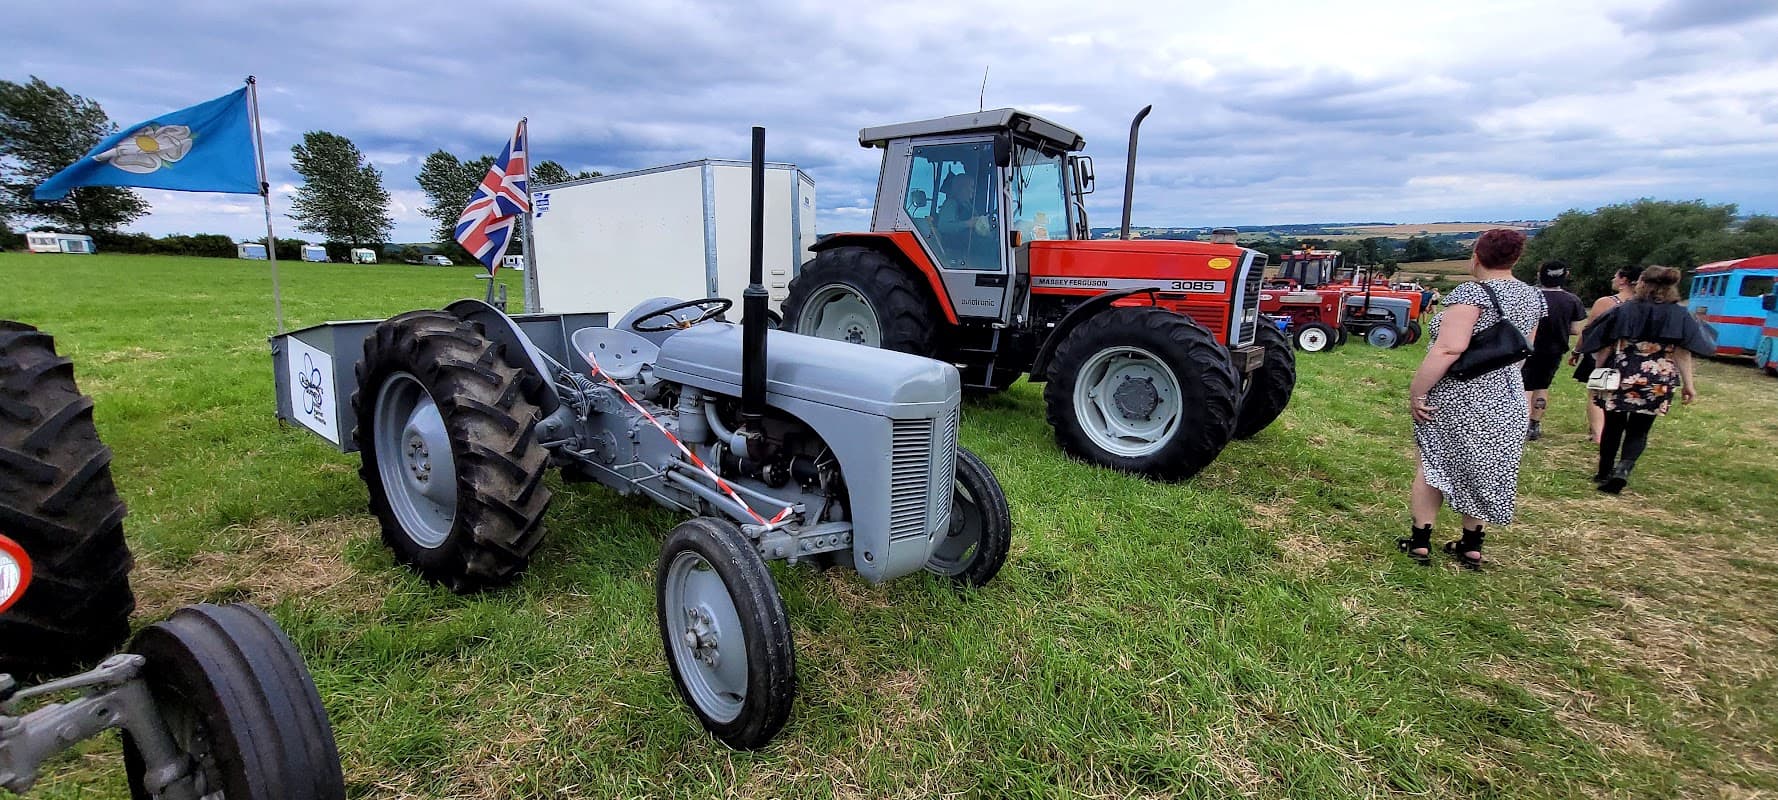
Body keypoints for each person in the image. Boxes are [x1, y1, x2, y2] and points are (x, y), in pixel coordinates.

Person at [1401, 229, 1544, 569]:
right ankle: (1471, 545)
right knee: (1486, 466)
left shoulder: (1470, 293)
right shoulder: (1533, 297)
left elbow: (1449, 348)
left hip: (1459, 393)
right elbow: (1523, 349)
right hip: (1507, 393)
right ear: (1516, 258)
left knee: (1434, 464)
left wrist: (1418, 391)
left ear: (1477, 255)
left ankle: (1421, 542)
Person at [1576, 265, 1715, 494]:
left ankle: (1604, 471)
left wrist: (1598, 370)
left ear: (1642, 283)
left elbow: (1604, 343)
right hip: (1659, 375)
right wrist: (1689, 385)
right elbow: (1683, 352)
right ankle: (1624, 468)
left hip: (1624, 371)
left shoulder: (1625, 310)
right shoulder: (1680, 314)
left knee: (1613, 425)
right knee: (1640, 429)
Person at [1568, 265, 1642, 442]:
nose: (1613, 279)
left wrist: (1577, 350)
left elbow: (1589, 330)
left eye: (1615, 276)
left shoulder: (1606, 302)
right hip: (1632, 357)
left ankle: (1598, 434)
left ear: (1623, 280)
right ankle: (1615, 431)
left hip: (1604, 353)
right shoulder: (1644, 305)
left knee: (1597, 392)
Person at [1522, 261, 1588, 441]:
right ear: (1565, 276)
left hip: (1527, 346)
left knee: (1525, 386)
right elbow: (1576, 329)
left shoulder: (1529, 295)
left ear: (1539, 275)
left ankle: (1520, 425)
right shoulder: (1572, 300)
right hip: (1554, 349)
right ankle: (1534, 424)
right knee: (1542, 385)